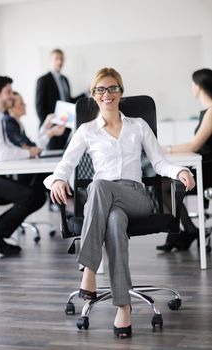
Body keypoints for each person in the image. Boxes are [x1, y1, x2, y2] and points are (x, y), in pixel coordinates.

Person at [44, 67, 195, 338]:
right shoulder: (86, 131)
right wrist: (56, 181)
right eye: (101, 89)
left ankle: (88, 268)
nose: (107, 94)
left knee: (99, 185)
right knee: (113, 219)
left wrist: (180, 171)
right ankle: (123, 307)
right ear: (93, 95)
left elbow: (159, 163)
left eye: (113, 88)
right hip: (105, 204)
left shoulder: (138, 125)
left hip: (136, 196)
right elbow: (64, 166)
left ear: (121, 92)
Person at [0, 76, 46, 256]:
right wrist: (29, 153)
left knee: (37, 193)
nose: (11, 97)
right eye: (8, 92)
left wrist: (26, 151)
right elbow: (2, 153)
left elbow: (7, 147)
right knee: (33, 196)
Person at [157, 68, 212, 252]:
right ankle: (187, 231)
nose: (191, 87)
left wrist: (165, 149)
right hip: (203, 166)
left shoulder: (211, 112)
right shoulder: (207, 111)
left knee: (166, 185)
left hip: (208, 170)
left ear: (199, 86)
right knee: (165, 184)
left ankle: (185, 231)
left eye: (192, 84)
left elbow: (194, 146)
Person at [35, 48, 86, 150]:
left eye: (62, 59)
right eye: (57, 58)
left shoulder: (65, 80)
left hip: (66, 126)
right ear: (50, 60)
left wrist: (86, 93)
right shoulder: (43, 80)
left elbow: (69, 101)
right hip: (51, 129)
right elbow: (39, 107)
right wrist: (49, 127)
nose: (60, 61)